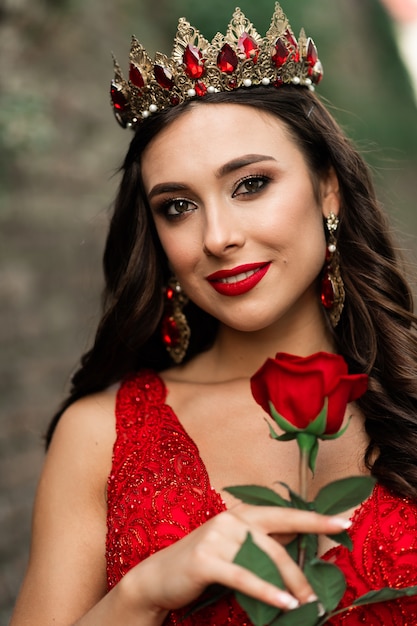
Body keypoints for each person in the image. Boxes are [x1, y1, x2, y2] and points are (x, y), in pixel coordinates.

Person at [10, 4, 417, 625]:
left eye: (250, 184)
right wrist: (143, 593)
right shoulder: (100, 437)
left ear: (327, 187)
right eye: (177, 207)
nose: (218, 236)